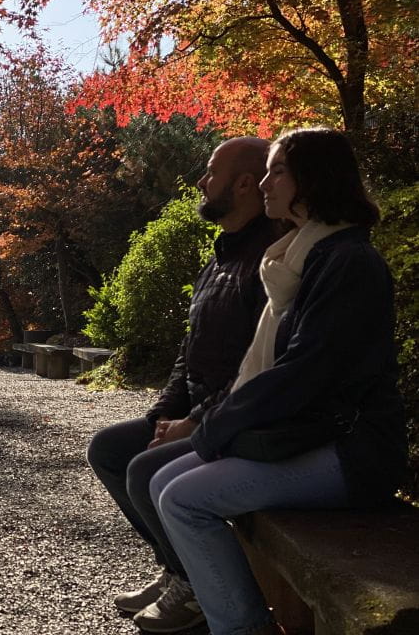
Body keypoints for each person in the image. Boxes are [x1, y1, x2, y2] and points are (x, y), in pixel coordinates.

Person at [149, 127, 407, 635]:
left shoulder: (348, 262)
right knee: (160, 480)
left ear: (314, 179)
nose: (265, 183)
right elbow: (272, 368)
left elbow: (302, 373)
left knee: (182, 499)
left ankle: (241, 627)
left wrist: (213, 429)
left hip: (352, 451)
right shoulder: (300, 255)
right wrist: (210, 427)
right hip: (311, 433)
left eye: (278, 170)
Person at [86, 137, 281, 633]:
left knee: (145, 470)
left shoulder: (272, 259)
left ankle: (199, 587)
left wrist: (194, 422)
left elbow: (260, 366)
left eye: (211, 171)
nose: (200, 181)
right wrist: (161, 414)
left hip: (239, 419)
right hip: (200, 413)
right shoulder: (219, 257)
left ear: (242, 183)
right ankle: (180, 569)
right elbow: (190, 350)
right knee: (110, 448)